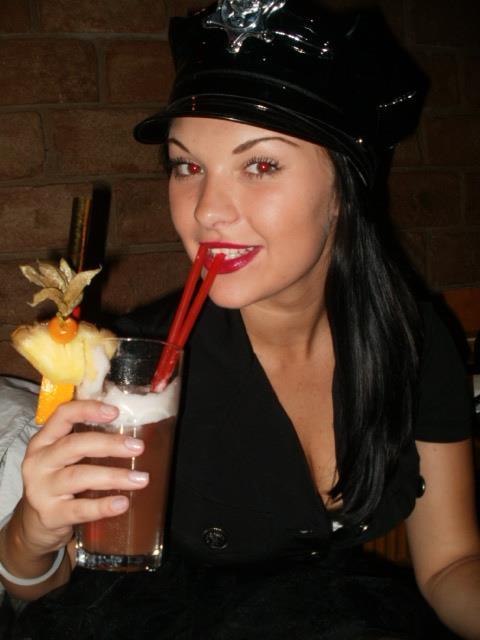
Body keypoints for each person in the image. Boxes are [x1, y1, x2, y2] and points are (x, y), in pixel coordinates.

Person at [1, 1, 479, 638]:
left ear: (346, 188)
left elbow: (450, 564)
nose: (206, 211)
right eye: (187, 166)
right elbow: (52, 585)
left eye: (260, 165)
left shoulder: (413, 340)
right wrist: (32, 531)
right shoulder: (133, 364)